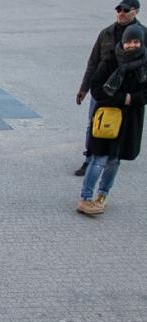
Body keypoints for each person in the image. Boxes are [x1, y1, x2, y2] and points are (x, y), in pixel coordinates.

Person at [77, 25, 147, 215]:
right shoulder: (110, 61)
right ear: (122, 42)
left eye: (136, 42)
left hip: (128, 122)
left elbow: (144, 94)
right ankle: (85, 198)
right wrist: (124, 99)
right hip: (107, 118)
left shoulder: (144, 64)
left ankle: (102, 196)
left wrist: (132, 99)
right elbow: (97, 88)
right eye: (128, 42)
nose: (132, 45)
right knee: (98, 159)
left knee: (114, 161)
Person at [75, 1, 145, 176]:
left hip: (128, 91)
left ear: (135, 12)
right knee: (94, 122)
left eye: (125, 10)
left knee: (122, 126)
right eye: (118, 9)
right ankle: (89, 157)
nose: (120, 12)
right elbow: (93, 61)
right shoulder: (106, 33)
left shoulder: (143, 34)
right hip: (104, 88)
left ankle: (114, 156)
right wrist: (84, 88)